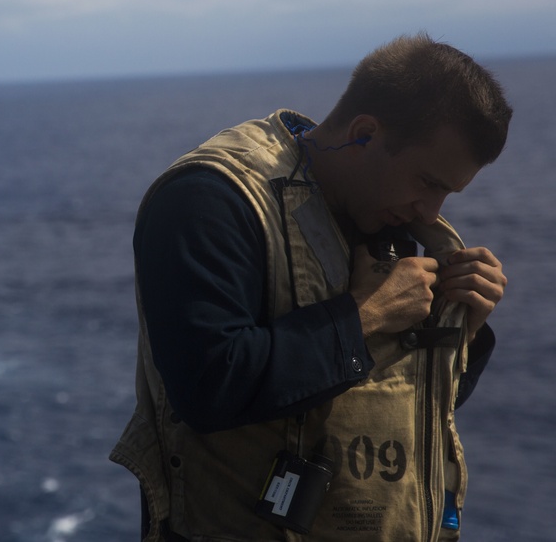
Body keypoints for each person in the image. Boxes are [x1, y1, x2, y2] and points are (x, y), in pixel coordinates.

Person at [110, 33, 512, 542]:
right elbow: (208, 387)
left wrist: (464, 337)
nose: (431, 213)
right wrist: (365, 317)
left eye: (447, 193)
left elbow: (394, 407)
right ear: (364, 132)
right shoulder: (209, 199)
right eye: (428, 182)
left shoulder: (393, 217)